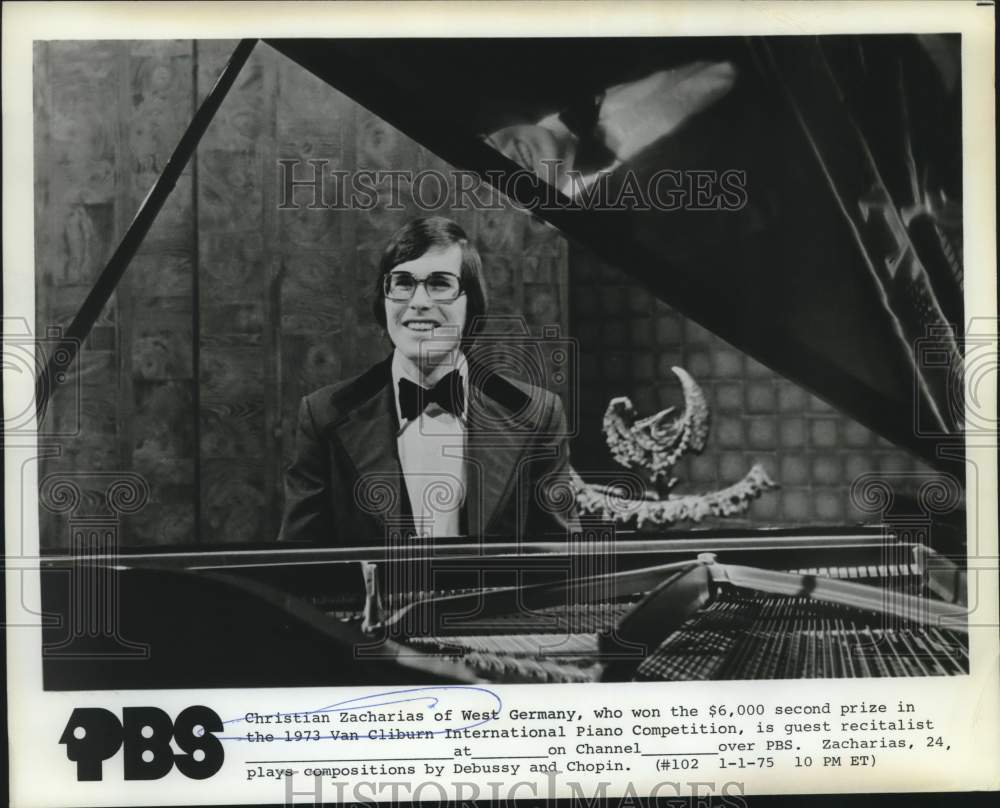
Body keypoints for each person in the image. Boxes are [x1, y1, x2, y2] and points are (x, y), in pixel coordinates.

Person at [278, 216, 579, 545]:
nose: (419, 303)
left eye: (439, 284)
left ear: (471, 303)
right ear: (385, 298)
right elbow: (298, 569)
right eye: (403, 283)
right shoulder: (324, 415)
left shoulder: (537, 414)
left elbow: (563, 565)